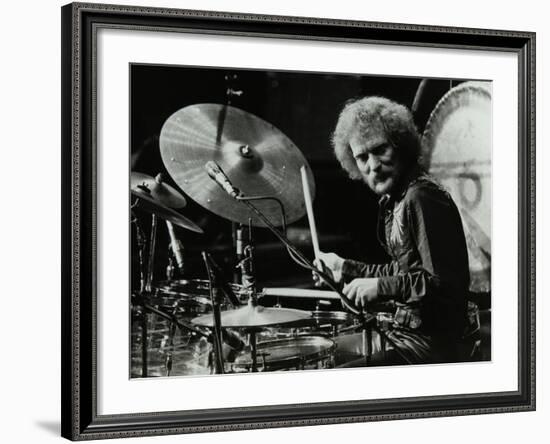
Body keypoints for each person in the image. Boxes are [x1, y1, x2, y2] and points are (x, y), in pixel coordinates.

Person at [315, 96, 470, 365]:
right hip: (407, 333)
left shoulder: (420, 197)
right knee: (326, 355)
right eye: (362, 157)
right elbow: (406, 272)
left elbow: (439, 283)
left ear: (400, 145)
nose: (373, 166)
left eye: (380, 150)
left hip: (431, 343)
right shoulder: (397, 198)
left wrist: (379, 287)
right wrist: (345, 267)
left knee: (331, 371)